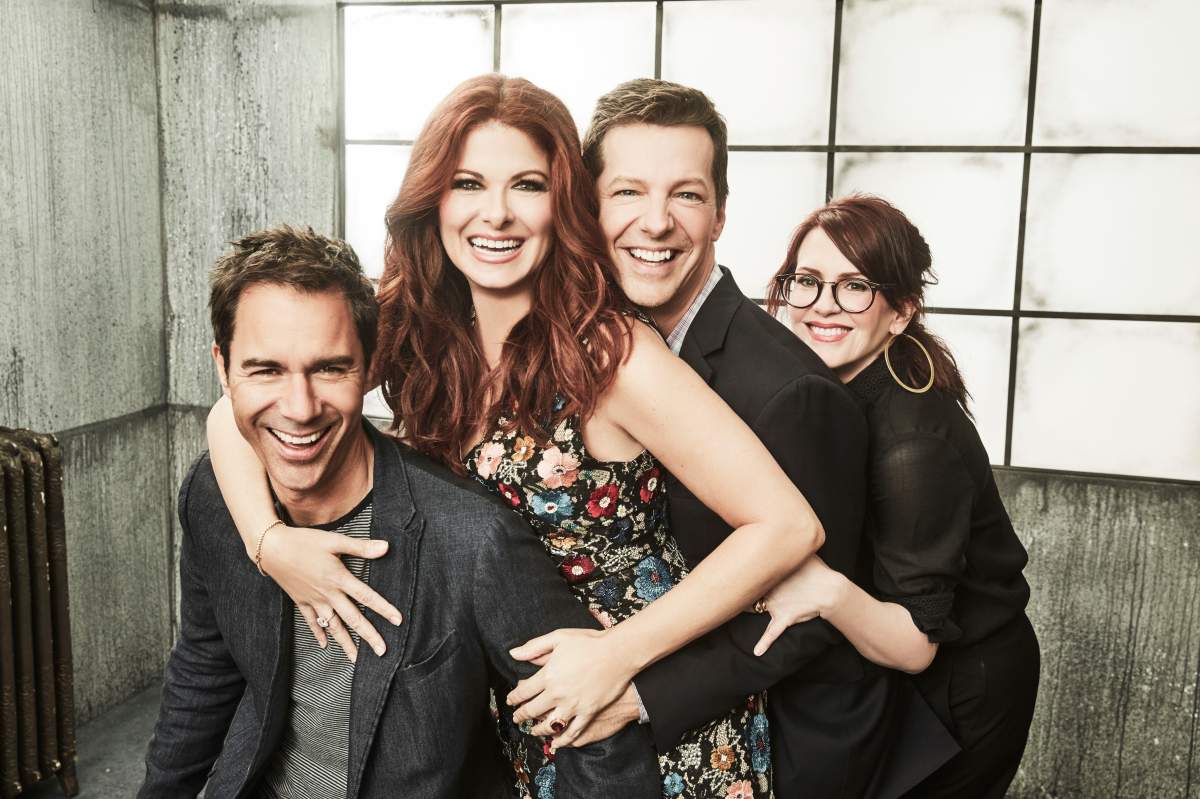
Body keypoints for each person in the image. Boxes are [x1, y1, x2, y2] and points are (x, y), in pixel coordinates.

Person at [205, 76, 827, 798]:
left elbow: (786, 524)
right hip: (517, 707)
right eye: (468, 182)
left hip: (643, 714)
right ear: (433, 198)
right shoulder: (414, 329)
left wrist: (616, 656)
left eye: (527, 184)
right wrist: (270, 544)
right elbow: (235, 408)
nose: (495, 213)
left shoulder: (611, 352)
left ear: (563, 202)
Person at [505, 80, 957, 799]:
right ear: (588, 206)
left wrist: (635, 691)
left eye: (685, 195)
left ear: (719, 214)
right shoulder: (583, 337)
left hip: (782, 736)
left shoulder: (789, 391)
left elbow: (806, 614)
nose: (655, 223)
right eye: (627, 193)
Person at [140, 225, 662, 798]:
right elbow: (202, 675)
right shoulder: (215, 498)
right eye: (266, 370)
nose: (299, 408)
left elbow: (600, 744)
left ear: (368, 369)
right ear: (223, 368)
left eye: (329, 369)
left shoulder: (470, 539)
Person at [758, 194, 1040, 798]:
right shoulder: (833, 385)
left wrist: (824, 588)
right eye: (806, 282)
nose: (822, 306)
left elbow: (914, 645)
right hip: (887, 665)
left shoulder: (912, 442)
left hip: (961, 688)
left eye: (854, 286)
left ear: (900, 311)